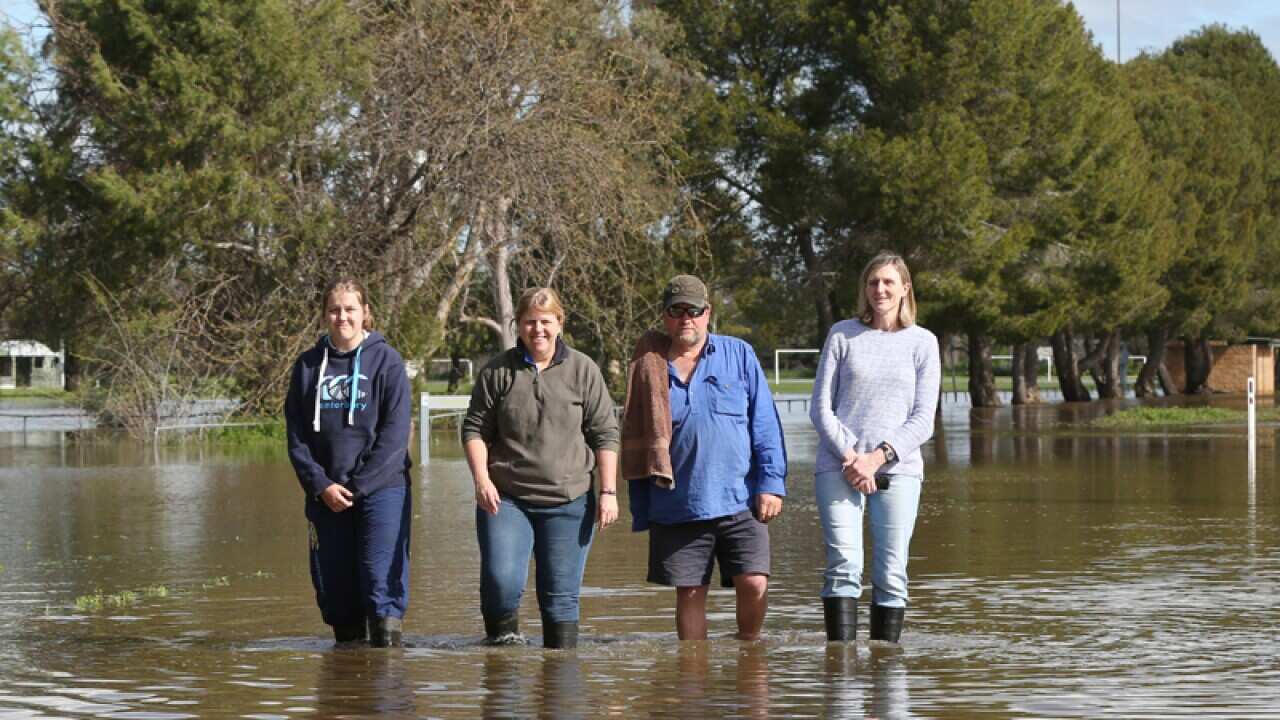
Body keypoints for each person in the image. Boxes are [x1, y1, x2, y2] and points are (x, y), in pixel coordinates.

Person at [625, 275, 787, 641]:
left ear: (707, 313)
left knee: (754, 582)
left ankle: (749, 653)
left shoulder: (739, 354)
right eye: (676, 311)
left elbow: (765, 424)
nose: (686, 318)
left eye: (693, 310)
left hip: (741, 500)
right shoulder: (648, 366)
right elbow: (634, 433)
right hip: (676, 503)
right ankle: (694, 671)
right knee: (690, 593)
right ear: (665, 316)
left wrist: (771, 484)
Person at [462, 287, 619, 649]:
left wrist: (608, 492)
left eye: (546, 321)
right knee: (501, 583)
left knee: (560, 599)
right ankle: (501, 666)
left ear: (559, 323)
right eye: (530, 322)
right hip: (506, 499)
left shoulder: (583, 369)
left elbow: (605, 434)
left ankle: (560, 673)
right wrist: (481, 479)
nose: (538, 330)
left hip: (569, 500)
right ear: (518, 325)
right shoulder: (498, 371)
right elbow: (474, 429)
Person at [809, 252, 941, 643]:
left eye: (887, 282)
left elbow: (923, 419)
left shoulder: (923, 343)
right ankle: (842, 665)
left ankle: (886, 666)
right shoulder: (842, 335)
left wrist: (876, 458)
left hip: (898, 470)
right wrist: (853, 458)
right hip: (839, 466)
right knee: (844, 564)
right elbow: (820, 408)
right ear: (864, 289)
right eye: (872, 282)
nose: (879, 290)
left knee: (891, 571)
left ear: (904, 288)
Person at [285, 278, 414, 647]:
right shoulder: (308, 366)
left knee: (380, 583)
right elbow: (296, 437)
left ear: (365, 313)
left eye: (350, 309)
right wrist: (321, 485)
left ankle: (386, 670)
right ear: (325, 315)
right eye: (335, 310)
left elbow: (394, 436)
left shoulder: (387, 362)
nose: (342, 317)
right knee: (337, 592)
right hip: (327, 494)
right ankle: (347, 676)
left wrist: (358, 487)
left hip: (382, 489)